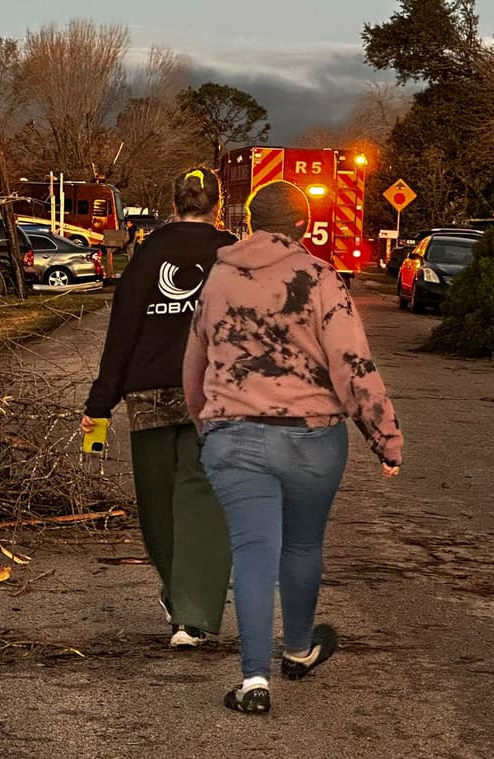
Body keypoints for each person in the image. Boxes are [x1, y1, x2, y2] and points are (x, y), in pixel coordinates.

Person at [182, 180, 403, 715]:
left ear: (250, 222)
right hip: (312, 438)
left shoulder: (219, 278)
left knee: (252, 551)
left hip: (234, 434)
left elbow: (195, 360)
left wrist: (204, 422)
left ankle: (254, 680)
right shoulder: (320, 277)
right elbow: (352, 363)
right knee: (302, 545)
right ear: (305, 225)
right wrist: (384, 438)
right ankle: (299, 649)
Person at [81, 167, 236, 649]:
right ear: (218, 206)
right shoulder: (233, 254)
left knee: (159, 502)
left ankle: (178, 595)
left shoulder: (148, 254)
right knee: (206, 500)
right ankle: (193, 611)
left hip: (149, 397)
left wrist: (100, 402)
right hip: (215, 396)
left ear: (173, 203)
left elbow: (123, 331)